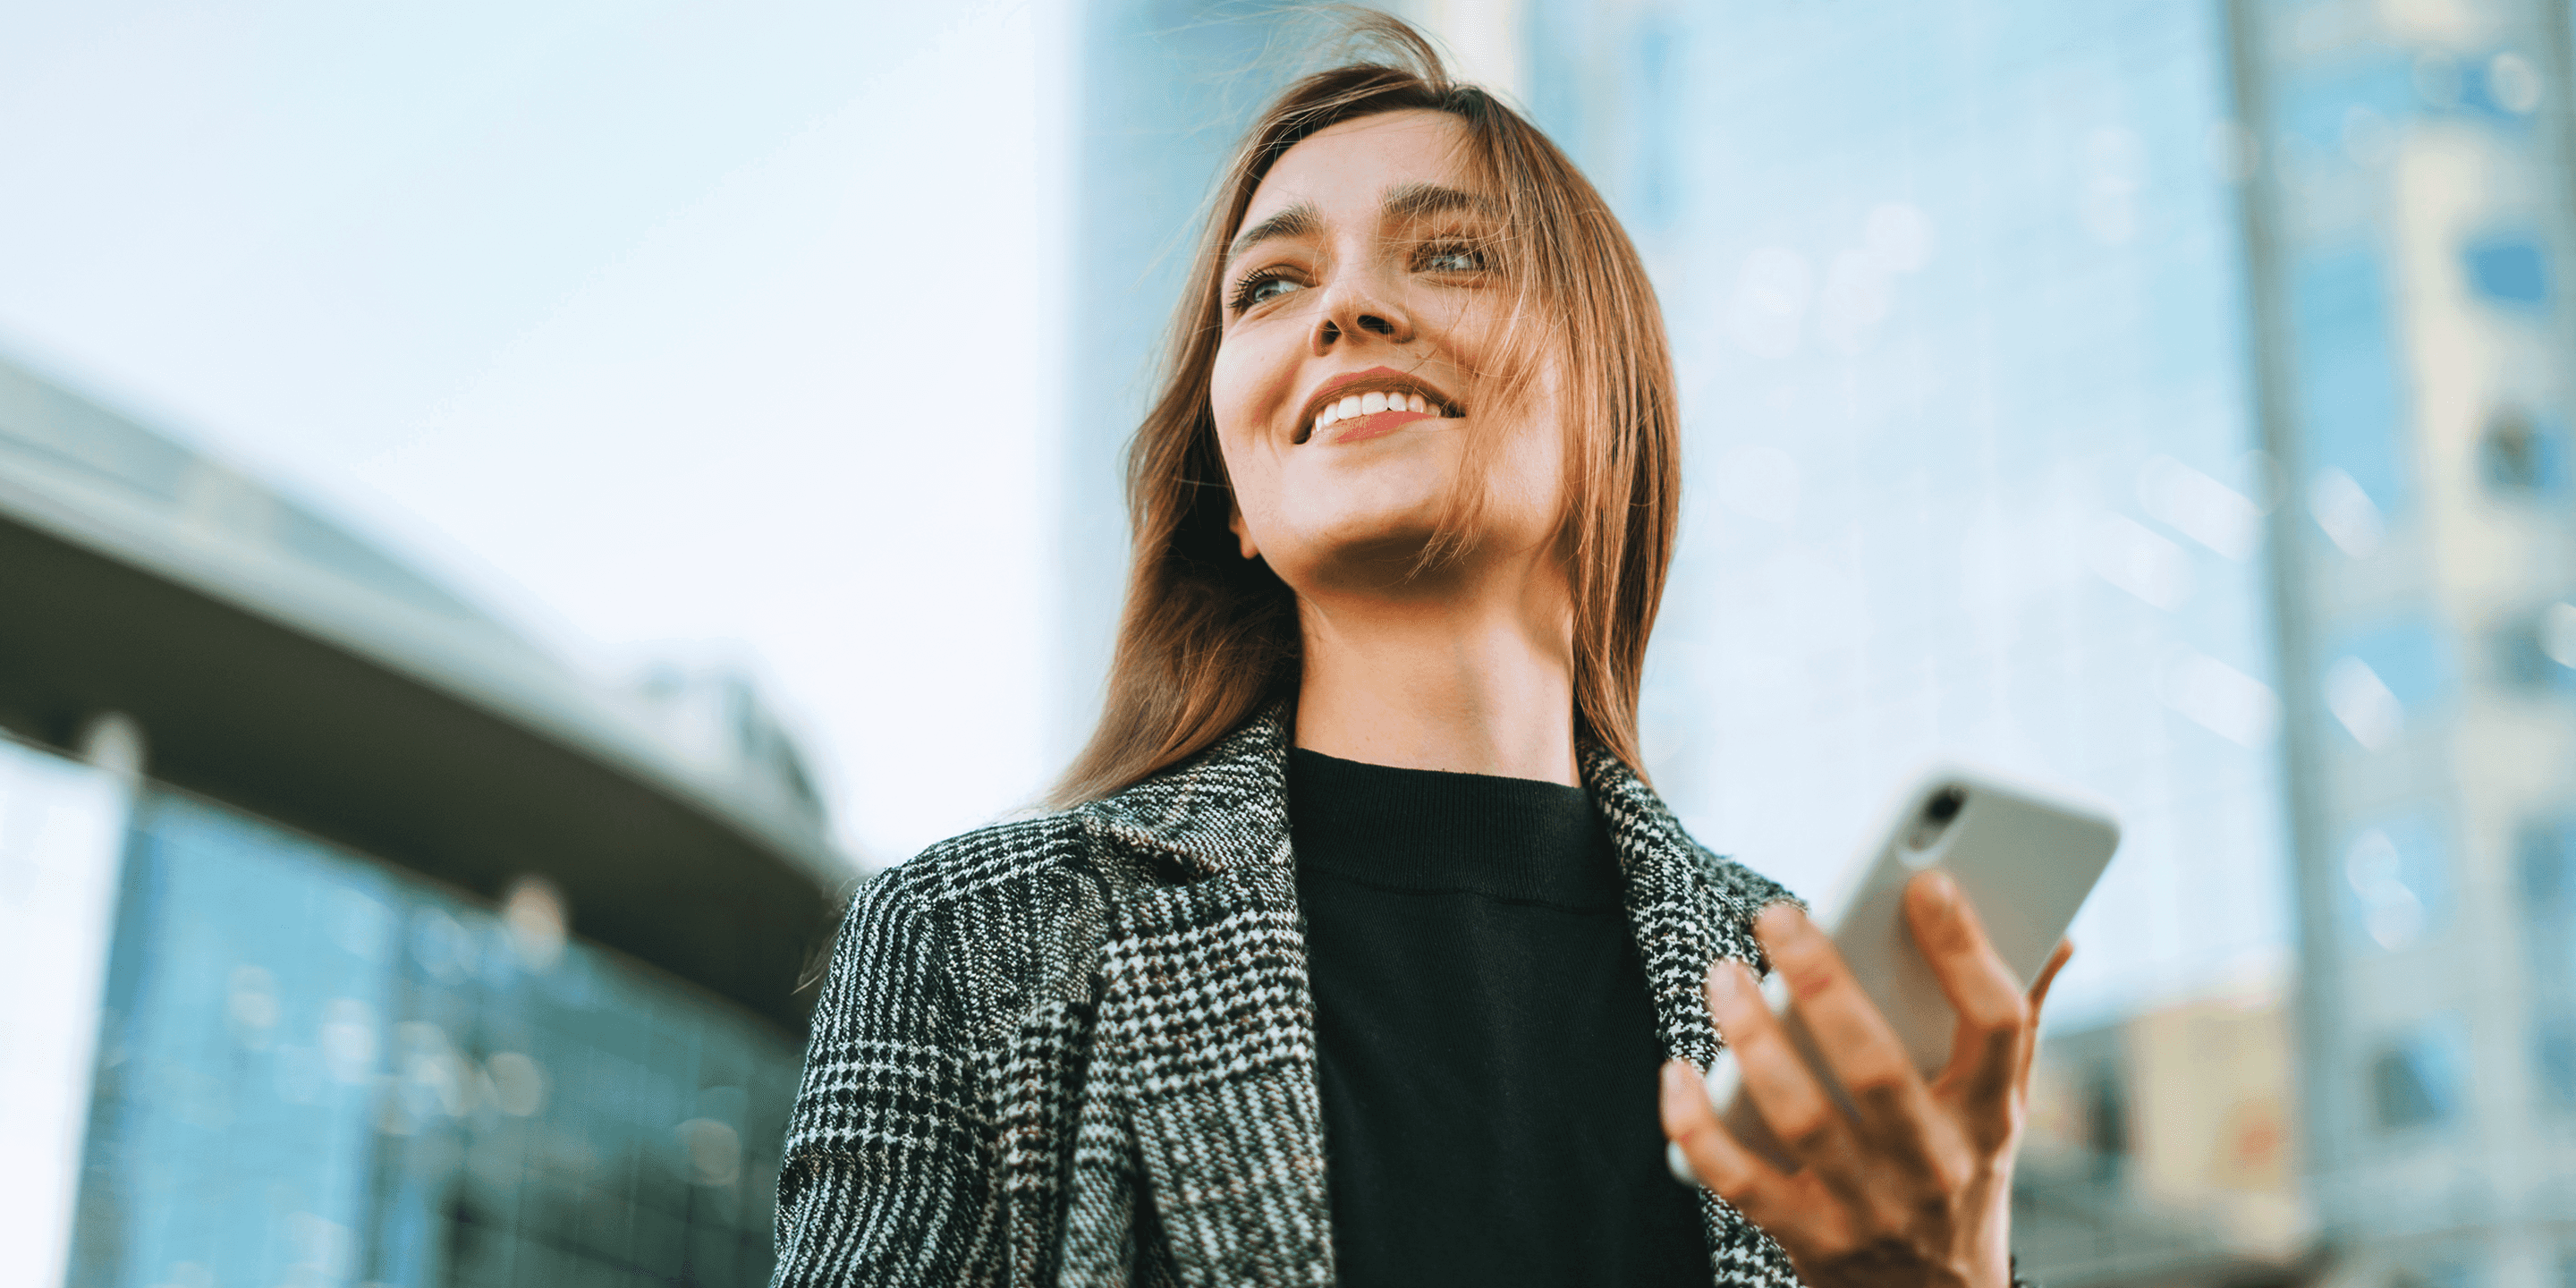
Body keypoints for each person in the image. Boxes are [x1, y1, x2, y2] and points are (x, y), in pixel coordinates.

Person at [771, 15, 2068, 1287]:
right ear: (1231, 492)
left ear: (1608, 398)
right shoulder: (973, 939)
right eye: (1271, 285)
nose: (1345, 306)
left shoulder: (1802, 1003)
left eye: (1448, 254)